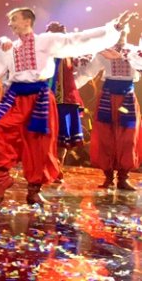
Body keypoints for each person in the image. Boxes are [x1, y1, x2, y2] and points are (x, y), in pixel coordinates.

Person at [0, 8, 133, 205]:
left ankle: (34, 190)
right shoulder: (9, 47)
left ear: (27, 21)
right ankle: (2, 179)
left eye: (14, 19)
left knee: (39, 145)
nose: (10, 24)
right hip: (15, 97)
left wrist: (114, 28)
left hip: (40, 97)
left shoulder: (45, 41)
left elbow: (78, 39)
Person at [75, 23, 142, 190]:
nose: (120, 34)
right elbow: (87, 73)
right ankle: (108, 176)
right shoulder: (103, 52)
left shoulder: (135, 52)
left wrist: (127, 57)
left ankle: (123, 177)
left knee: (128, 137)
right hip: (107, 98)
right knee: (106, 135)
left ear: (128, 32)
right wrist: (71, 86)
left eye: (123, 30)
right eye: (117, 31)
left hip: (127, 99)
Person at [44, 21, 91, 183]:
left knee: (62, 139)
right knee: (44, 136)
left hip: (65, 101)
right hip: (44, 100)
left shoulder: (71, 54)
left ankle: (57, 168)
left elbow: (85, 71)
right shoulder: (41, 54)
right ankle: (46, 167)